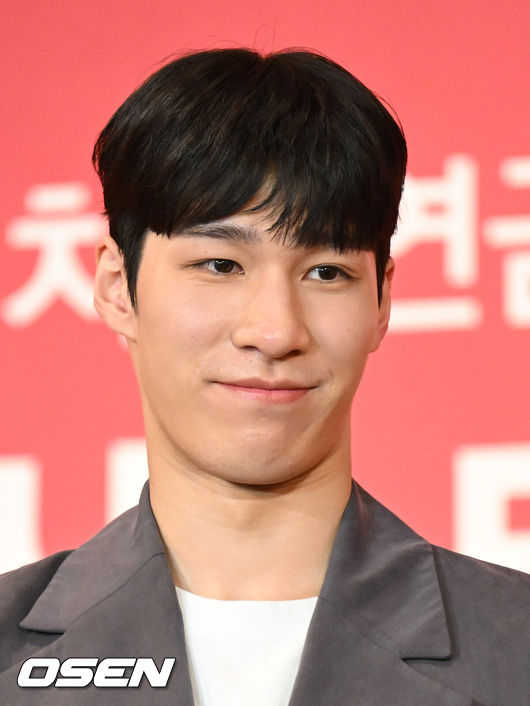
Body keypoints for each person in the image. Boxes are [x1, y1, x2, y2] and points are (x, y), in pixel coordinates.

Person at [0, 48, 528, 706]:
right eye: (220, 265)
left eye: (326, 272)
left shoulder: (514, 647)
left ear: (382, 303)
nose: (276, 331)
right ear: (116, 286)